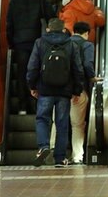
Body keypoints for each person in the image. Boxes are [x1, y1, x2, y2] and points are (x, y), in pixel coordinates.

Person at [26, 18, 84, 168]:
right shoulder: (71, 44)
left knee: (42, 119)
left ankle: (44, 146)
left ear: (48, 29)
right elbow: (78, 69)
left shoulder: (40, 43)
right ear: (64, 29)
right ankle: (60, 158)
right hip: (64, 91)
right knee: (62, 123)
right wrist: (77, 90)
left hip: (45, 90)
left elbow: (32, 67)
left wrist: (32, 86)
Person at [51, 21, 101, 165]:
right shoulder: (87, 45)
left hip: (59, 89)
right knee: (77, 124)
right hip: (77, 90)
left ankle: (53, 148)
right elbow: (87, 64)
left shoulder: (63, 43)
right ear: (87, 33)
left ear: (73, 31)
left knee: (57, 121)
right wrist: (91, 77)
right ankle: (77, 156)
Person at [6, 0, 55, 114]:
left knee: (22, 74)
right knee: (36, 72)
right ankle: (36, 105)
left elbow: (9, 24)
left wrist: (10, 43)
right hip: (36, 42)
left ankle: (22, 107)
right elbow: (51, 18)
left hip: (19, 43)